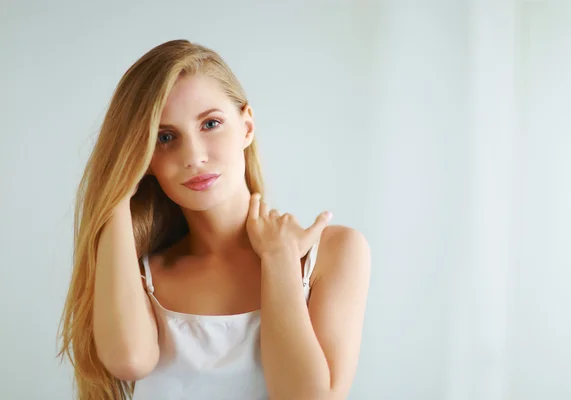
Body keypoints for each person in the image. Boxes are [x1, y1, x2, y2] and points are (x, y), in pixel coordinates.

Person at [57, 39, 371, 400]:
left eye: (210, 123)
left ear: (247, 126)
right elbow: (129, 362)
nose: (193, 156)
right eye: (165, 137)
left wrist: (280, 261)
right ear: (142, 159)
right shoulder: (141, 275)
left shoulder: (332, 252)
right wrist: (113, 193)